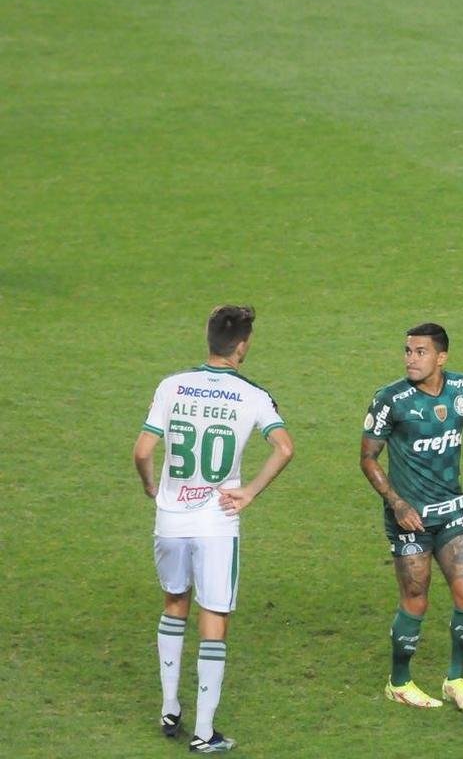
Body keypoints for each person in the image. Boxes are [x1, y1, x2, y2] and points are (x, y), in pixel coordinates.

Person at [133, 305, 294, 753]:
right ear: (242, 346)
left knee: (173, 601)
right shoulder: (252, 395)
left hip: (170, 520)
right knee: (214, 618)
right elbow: (284, 447)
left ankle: (169, 706)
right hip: (217, 523)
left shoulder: (172, 386)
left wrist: (152, 487)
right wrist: (251, 492)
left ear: (209, 340)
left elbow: (143, 450)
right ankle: (204, 732)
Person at [360, 323, 463, 711]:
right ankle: (400, 681)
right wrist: (396, 502)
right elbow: (368, 458)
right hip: (411, 520)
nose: (410, 358)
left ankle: (456, 679)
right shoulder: (391, 400)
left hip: (452, 511)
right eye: (407, 351)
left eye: (420, 352)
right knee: (416, 599)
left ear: (441, 357)